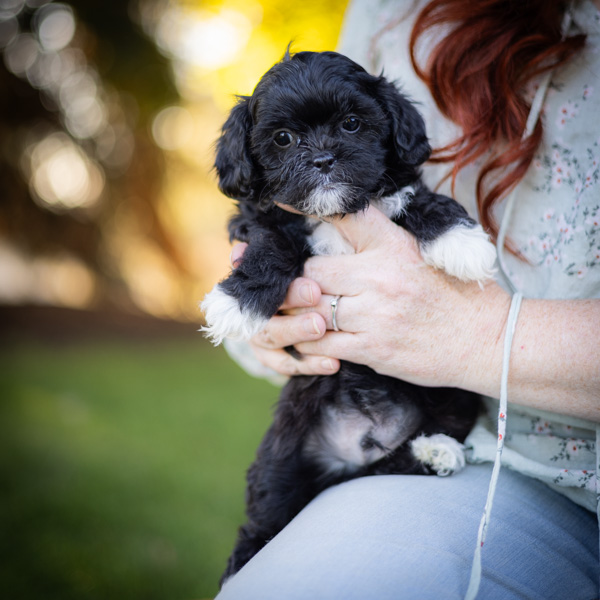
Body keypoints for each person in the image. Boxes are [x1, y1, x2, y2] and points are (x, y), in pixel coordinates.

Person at [216, 0, 600, 598]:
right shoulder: (395, 9)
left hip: (470, 433)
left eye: (349, 128)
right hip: (441, 448)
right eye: (288, 139)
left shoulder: (398, 178)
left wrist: (484, 332)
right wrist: (274, 317)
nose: (320, 153)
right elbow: (260, 284)